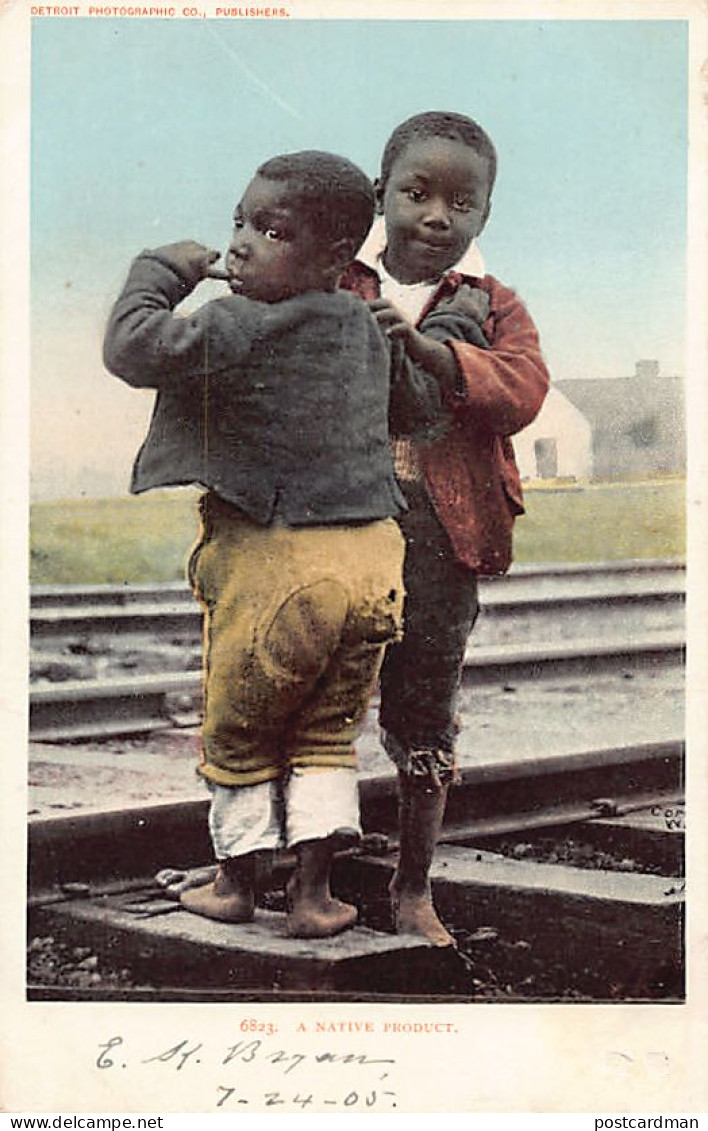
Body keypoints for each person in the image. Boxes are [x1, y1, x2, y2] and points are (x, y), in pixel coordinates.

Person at [103, 151, 407, 939]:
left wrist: (157, 272)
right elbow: (410, 411)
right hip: (374, 556)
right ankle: (313, 895)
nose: (240, 244)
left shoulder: (238, 322)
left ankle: (236, 882)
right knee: (326, 729)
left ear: (335, 258)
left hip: (279, 562)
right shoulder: (362, 325)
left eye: (270, 231)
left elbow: (133, 349)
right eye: (240, 222)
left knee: (239, 722)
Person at [339, 110, 550, 947]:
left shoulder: (494, 304)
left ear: (485, 217)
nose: (437, 216)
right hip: (338, 523)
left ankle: (413, 884)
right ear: (378, 195)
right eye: (416, 194)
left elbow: (524, 390)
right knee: (310, 690)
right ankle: (285, 866)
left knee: (426, 705)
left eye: (462, 203)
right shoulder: (335, 282)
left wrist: (434, 356)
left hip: (443, 535)